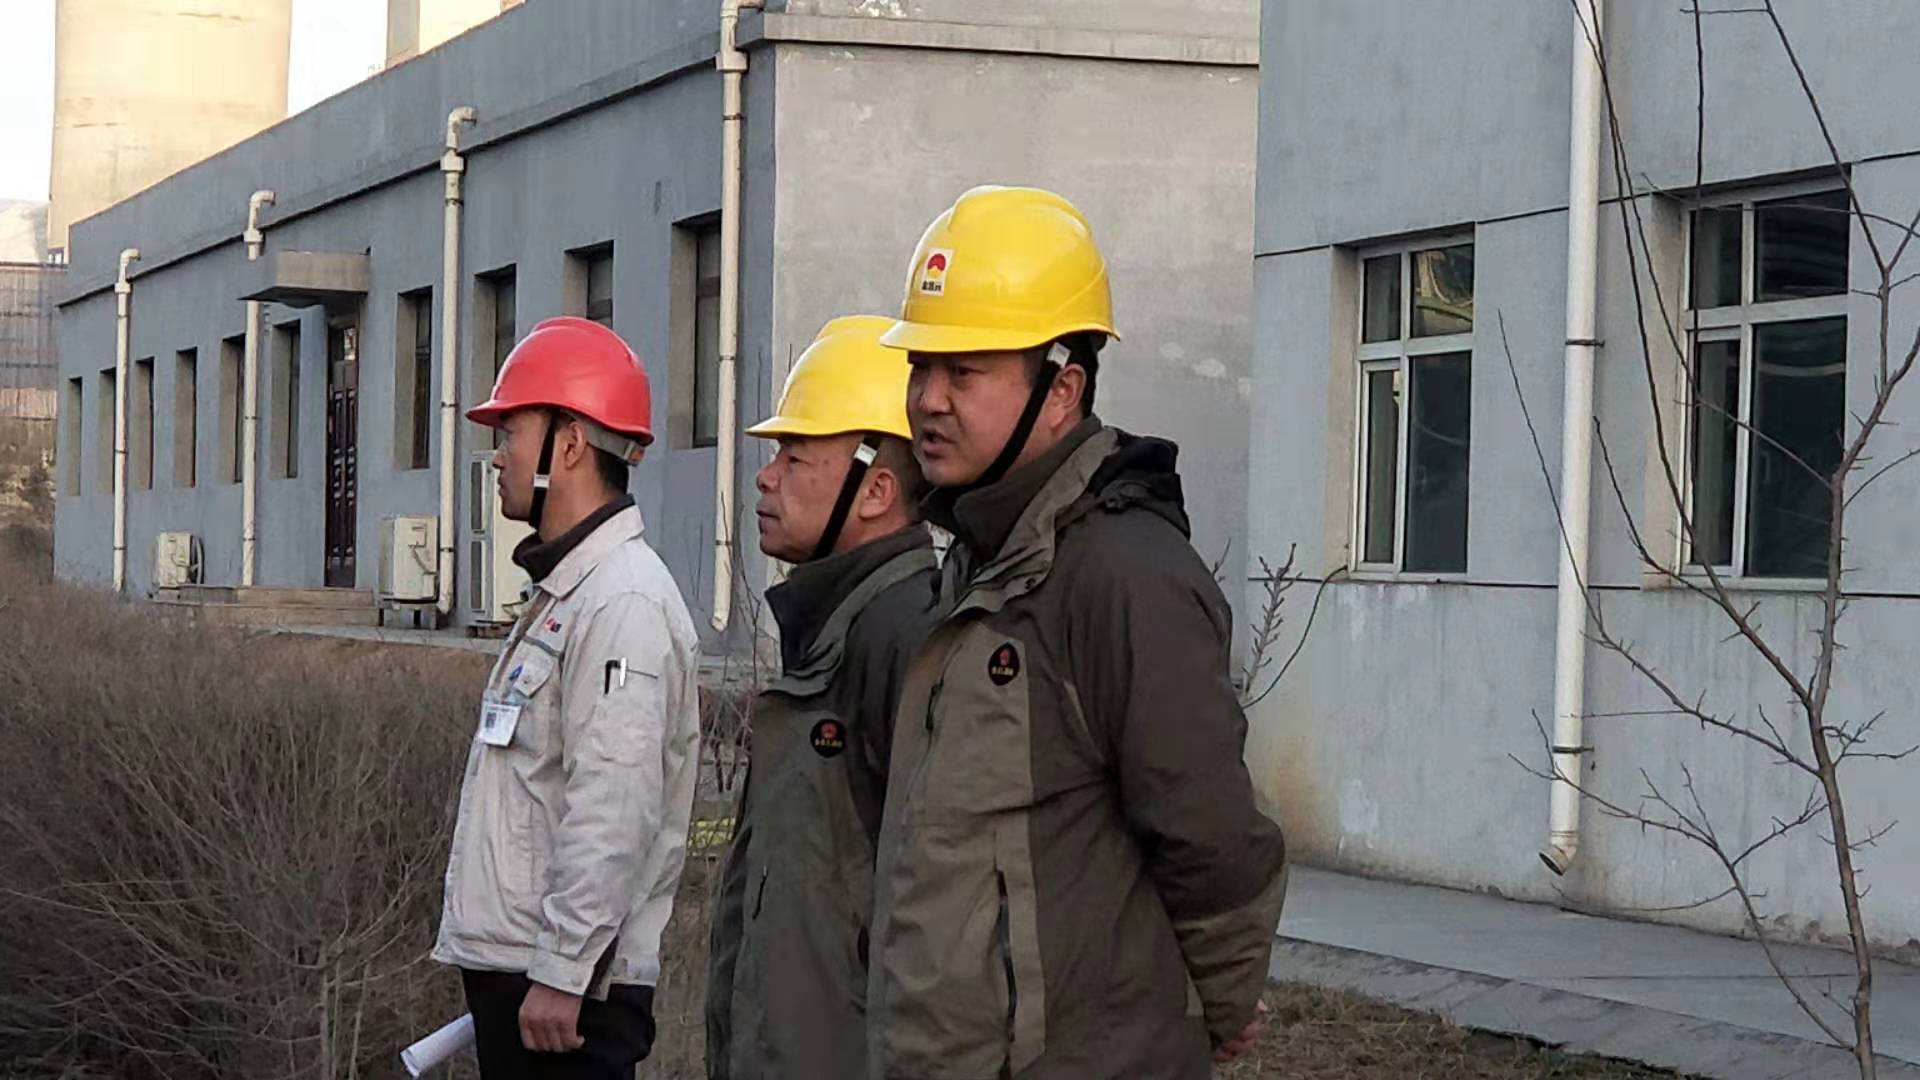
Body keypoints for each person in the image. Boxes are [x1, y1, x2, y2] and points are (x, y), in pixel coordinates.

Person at [865, 187, 1288, 1079]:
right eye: (920, 368)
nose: (928, 400)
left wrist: (1218, 1005)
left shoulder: (1125, 575)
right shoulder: (978, 556)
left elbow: (1210, 833)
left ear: (1062, 389)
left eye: (964, 372)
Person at [434, 316, 702, 1080]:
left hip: (565, 1002)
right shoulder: (570, 593)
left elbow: (615, 801)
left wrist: (563, 968)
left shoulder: (622, 601)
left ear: (572, 443)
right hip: (530, 984)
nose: (498, 456)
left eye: (511, 433)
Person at [706, 315, 941, 1080]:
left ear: (877, 490)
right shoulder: (832, 633)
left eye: (796, 456)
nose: (766, 477)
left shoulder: (905, 640)